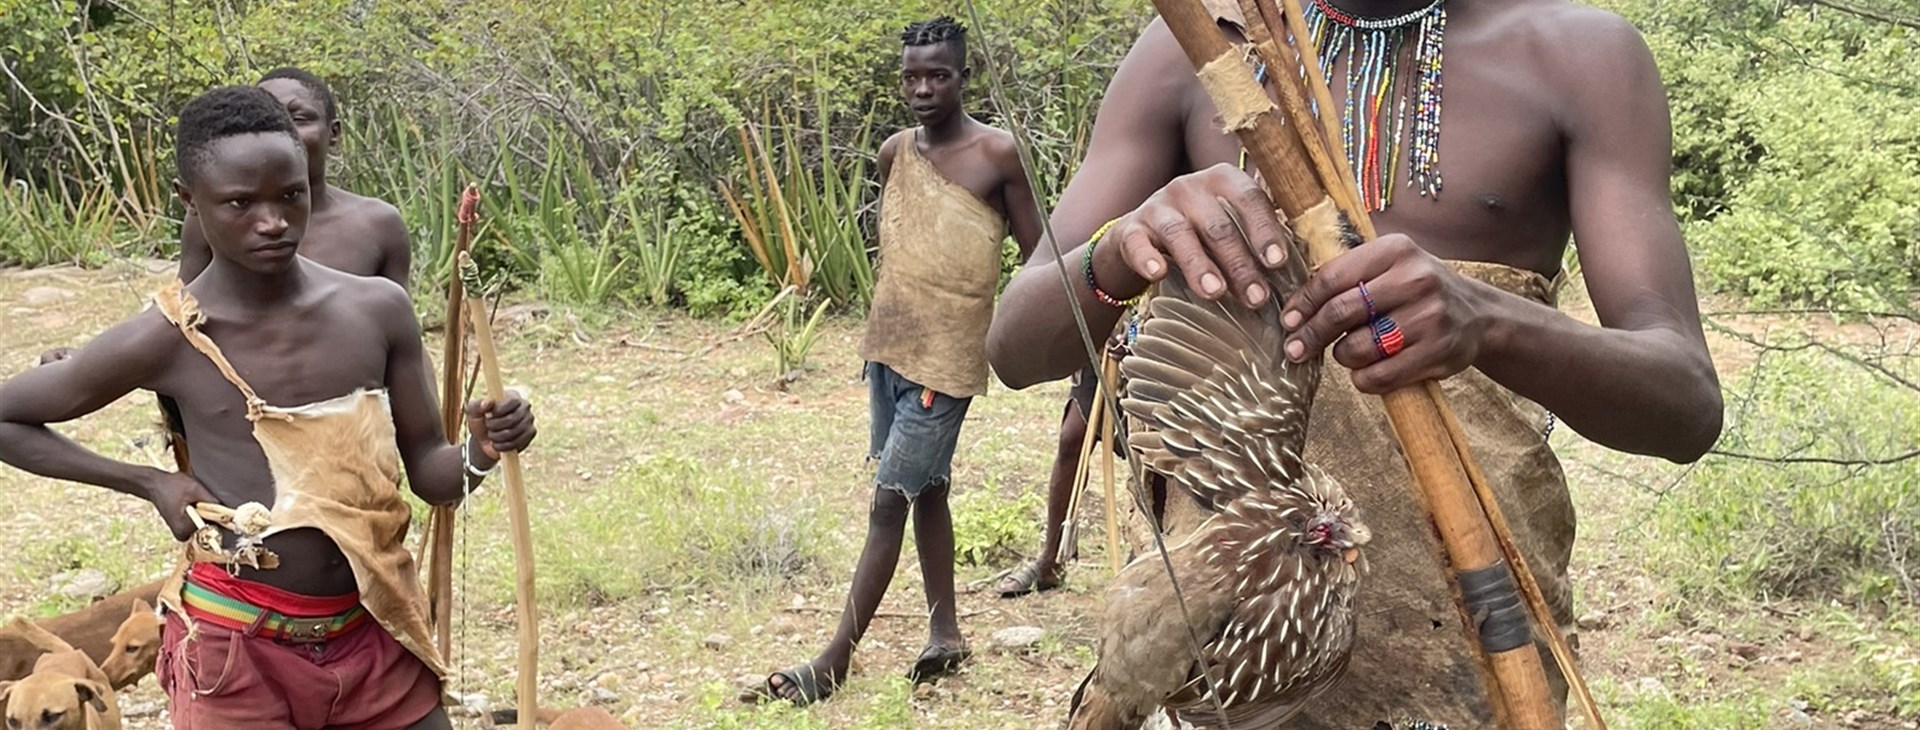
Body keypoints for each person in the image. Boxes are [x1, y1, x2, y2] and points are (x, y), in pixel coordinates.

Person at [985, 0, 1723, 726]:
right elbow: (1015, 346)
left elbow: (1685, 404)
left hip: (1474, 637)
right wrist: (1121, 250)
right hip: (1232, 653)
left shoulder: (1580, 55)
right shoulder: (1193, 44)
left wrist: (1490, 320)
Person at [0, 85, 536, 729]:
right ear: (189, 201)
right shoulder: (171, 336)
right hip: (236, 649)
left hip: (374, 629)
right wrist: (149, 481)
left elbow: (431, 474)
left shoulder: (376, 311)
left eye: (290, 195)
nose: (273, 221)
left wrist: (482, 448)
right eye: (240, 203)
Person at [745, 16, 1043, 706]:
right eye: (912, 77)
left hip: (946, 362)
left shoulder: (998, 155)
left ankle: (834, 660)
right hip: (889, 350)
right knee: (926, 489)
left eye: (938, 75)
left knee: (887, 503)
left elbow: (1040, 258)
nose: (923, 89)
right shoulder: (893, 154)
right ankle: (946, 632)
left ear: (964, 77)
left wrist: (1066, 343)